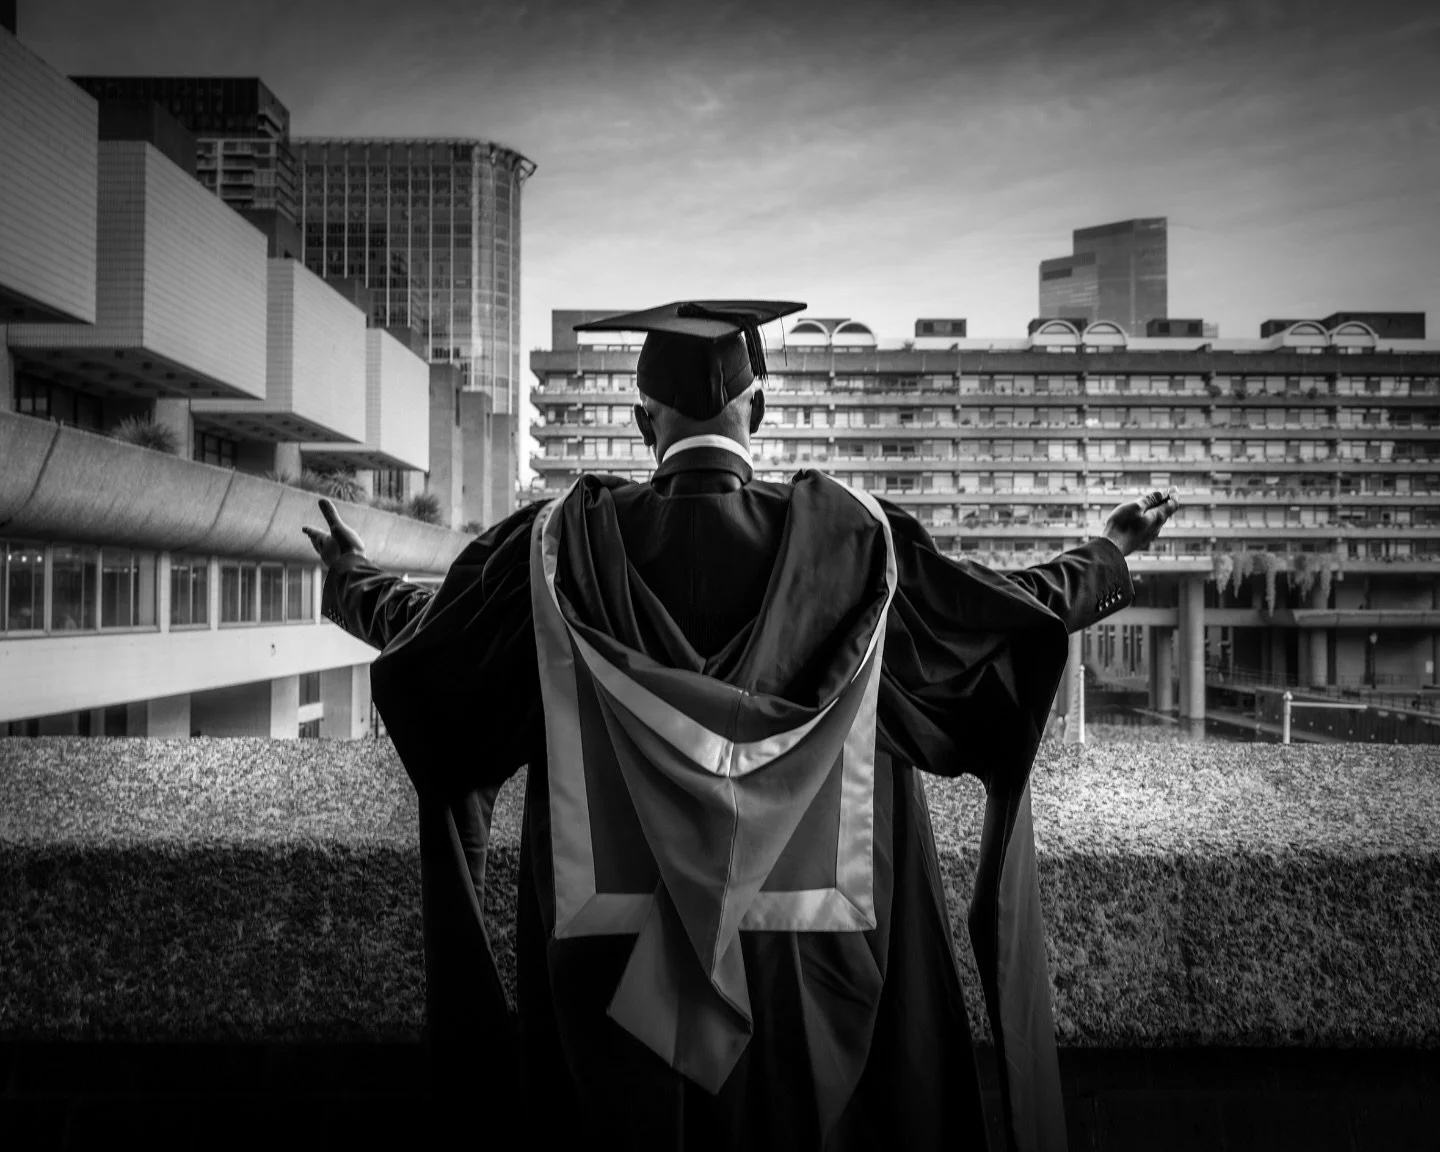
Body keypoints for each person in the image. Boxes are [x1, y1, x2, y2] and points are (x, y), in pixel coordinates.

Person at [303, 300, 1179, 1152]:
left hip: (611, 978)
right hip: (809, 973)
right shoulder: (854, 548)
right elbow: (996, 615)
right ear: (758, 407)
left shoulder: (553, 553)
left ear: (642, 420)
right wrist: (1105, 553)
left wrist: (351, 580)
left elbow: (434, 644)